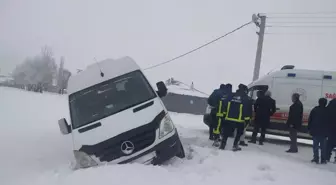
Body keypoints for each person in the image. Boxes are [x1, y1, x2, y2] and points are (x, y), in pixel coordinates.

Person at [219, 84, 252, 151]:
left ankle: (222, 145)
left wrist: (224, 115)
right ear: (245, 90)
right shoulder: (246, 98)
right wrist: (247, 120)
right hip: (239, 120)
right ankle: (235, 145)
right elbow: (248, 110)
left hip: (229, 118)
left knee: (226, 133)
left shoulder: (231, 95)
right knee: (239, 133)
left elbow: (224, 105)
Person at [308, 98, 329, 164]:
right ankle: (323, 159)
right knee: (323, 147)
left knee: (315, 146)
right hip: (324, 132)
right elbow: (330, 122)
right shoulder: (328, 111)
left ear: (319, 102)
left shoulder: (315, 110)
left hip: (315, 131)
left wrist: (309, 129)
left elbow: (310, 120)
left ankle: (316, 158)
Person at [326, 98, 336, 163]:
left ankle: (327, 157)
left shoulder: (332, 102)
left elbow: (327, 113)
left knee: (329, 143)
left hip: (331, 127)